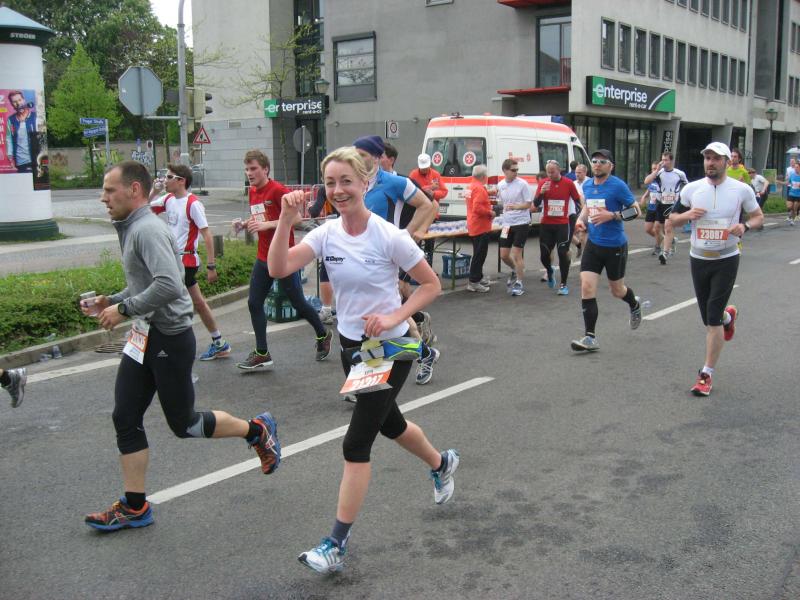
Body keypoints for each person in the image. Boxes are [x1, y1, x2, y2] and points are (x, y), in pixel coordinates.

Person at [267, 146, 459, 574]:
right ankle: (442, 462)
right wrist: (285, 221)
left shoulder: (389, 236)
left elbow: (431, 285)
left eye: (346, 182)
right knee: (390, 424)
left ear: (366, 183)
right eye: (330, 183)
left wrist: (394, 316)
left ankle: (335, 544)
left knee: (355, 444)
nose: (338, 190)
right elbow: (279, 268)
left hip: (391, 348)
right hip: (353, 348)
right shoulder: (326, 234)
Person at [83, 161, 281, 532]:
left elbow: (170, 285)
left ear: (134, 190)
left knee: (184, 424)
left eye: (109, 190)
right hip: (144, 335)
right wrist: (111, 299)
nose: (103, 198)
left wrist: (122, 309)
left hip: (168, 338)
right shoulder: (133, 227)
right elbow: (146, 282)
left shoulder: (146, 229)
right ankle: (135, 507)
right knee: (125, 417)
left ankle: (256, 431)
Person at [669, 142, 763, 396]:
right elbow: (672, 220)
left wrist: (745, 227)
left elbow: (758, 217)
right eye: (707, 158)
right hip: (699, 258)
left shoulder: (741, 190)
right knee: (709, 317)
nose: (710, 163)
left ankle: (706, 374)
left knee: (712, 317)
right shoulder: (692, 189)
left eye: (715, 159)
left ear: (726, 162)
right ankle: (728, 318)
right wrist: (687, 216)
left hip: (726, 258)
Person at [352, 135, 440, 385]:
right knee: (385, 315)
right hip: (361, 259)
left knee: (383, 316)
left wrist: (406, 236)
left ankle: (368, 377)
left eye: (362, 155)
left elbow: (427, 205)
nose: (356, 158)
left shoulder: (394, 182)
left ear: (377, 157)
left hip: (385, 260)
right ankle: (423, 354)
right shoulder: (356, 183)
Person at [237, 150, 332, 369]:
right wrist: (245, 223)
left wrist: (267, 225)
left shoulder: (277, 190)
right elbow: (260, 217)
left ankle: (322, 334)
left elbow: (296, 218)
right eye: (247, 169)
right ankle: (262, 353)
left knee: (298, 303)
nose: (249, 173)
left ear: (265, 169)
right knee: (254, 303)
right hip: (263, 258)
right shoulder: (253, 191)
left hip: (284, 258)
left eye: (253, 168)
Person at [149, 163, 231, 361]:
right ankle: (219, 342)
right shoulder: (168, 199)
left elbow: (207, 234)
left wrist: (211, 266)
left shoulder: (193, 203)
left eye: (169, 177)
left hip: (185, 261)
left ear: (181, 181)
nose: (165, 180)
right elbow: (144, 210)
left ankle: (172, 350)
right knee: (198, 303)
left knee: (169, 304)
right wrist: (154, 191)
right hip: (172, 260)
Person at [571, 149, 643, 352]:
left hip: (615, 246)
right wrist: (580, 220)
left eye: (602, 162)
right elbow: (587, 207)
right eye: (594, 161)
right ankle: (590, 337)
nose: (597, 164)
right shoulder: (587, 185)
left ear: (611, 166)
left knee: (617, 291)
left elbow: (636, 211)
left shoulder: (618, 186)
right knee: (587, 287)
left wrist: (612, 215)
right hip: (593, 244)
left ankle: (634, 304)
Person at [533, 160, 581, 295]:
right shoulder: (543, 183)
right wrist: (541, 193)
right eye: (548, 172)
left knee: (562, 253)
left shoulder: (568, 183)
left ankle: (563, 284)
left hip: (562, 224)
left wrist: (579, 217)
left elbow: (578, 201)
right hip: (546, 224)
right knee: (544, 255)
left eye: (552, 172)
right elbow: (535, 204)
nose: (550, 175)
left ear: (559, 170)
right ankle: (549, 270)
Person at [643, 152, 688, 265]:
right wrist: (656, 171)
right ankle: (671, 241)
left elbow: (687, 187)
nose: (664, 162)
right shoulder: (659, 172)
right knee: (660, 228)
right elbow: (646, 181)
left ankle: (664, 253)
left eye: (666, 160)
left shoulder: (679, 173)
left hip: (673, 204)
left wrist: (683, 200)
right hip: (661, 203)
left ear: (671, 161)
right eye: (662, 160)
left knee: (668, 228)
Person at [497, 158, 533, 296]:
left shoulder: (522, 184)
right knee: (503, 255)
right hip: (507, 224)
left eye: (517, 169)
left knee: (516, 253)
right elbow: (501, 202)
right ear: (505, 171)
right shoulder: (500, 185)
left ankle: (519, 282)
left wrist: (516, 207)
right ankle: (514, 269)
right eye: (513, 170)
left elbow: (528, 204)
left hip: (521, 223)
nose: (516, 172)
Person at [408, 153, 449, 266]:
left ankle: (428, 267)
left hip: (432, 215)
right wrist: (429, 188)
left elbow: (444, 191)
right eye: (422, 168)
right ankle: (415, 267)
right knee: (415, 242)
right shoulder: (413, 174)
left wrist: (434, 193)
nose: (424, 170)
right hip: (417, 213)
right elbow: (412, 190)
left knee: (430, 244)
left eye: (426, 167)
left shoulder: (435, 174)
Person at [308, 183, 337, 324]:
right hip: (354, 229)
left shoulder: (325, 189)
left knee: (327, 268)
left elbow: (315, 212)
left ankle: (326, 310)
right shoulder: (356, 185)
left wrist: (310, 207)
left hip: (334, 231)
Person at [465, 164, 494, 292]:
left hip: (473, 224)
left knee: (478, 253)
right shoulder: (479, 189)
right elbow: (477, 208)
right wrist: (490, 212)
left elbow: (472, 204)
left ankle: (478, 277)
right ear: (483, 176)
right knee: (479, 255)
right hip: (480, 226)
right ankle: (474, 281)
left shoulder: (470, 186)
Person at [5, 90, 39, 173]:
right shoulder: (11, 120)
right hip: (20, 162)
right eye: (14, 102)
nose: (18, 103)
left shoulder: (35, 116)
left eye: (19, 100)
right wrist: (10, 157)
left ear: (24, 100)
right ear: (12, 104)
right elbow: (9, 139)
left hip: (35, 160)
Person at [641, 162, 664, 255]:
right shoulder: (651, 179)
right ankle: (665, 239)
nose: (654, 170)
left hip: (660, 207)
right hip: (651, 206)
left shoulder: (663, 179)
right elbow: (650, 188)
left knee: (657, 228)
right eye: (652, 169)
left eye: (656, 168)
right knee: (648, 229)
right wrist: (644, 196)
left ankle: (658, 247)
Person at [572, 163, 588, 256]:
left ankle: (586, 256)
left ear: (585, 172)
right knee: (569, 234)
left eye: (579, 172)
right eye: (576, 172)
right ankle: (579, 245)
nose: (577, 174)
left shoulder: (590, 182)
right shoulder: (573, 184)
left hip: (586, 212)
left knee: (582, 236)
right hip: (575, 212)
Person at [778, 160, 800, 224]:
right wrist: (780, 182)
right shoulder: (792, 175)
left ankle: (792, 220)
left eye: (797, 167)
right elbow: (787, 182)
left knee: (795, 209)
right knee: (789, 207)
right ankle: (791, 214)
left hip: (798, 195)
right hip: (791, 193)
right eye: (795, 167)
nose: (795, 168)